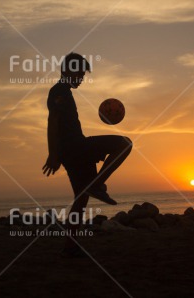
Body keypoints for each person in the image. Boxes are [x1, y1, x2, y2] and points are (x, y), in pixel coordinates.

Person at [42, 52, 132, 257]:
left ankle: (70, 247)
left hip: (71, 151)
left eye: (83, 75)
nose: (81, 79)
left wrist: (56, 155)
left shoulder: (65, 91)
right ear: (66, 70)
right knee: (125, 144)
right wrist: (52, 154)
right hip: (76, 147)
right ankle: (98, 184)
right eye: (79, 74)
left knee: (81, 199)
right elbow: (52, 123)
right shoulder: (59, 91)